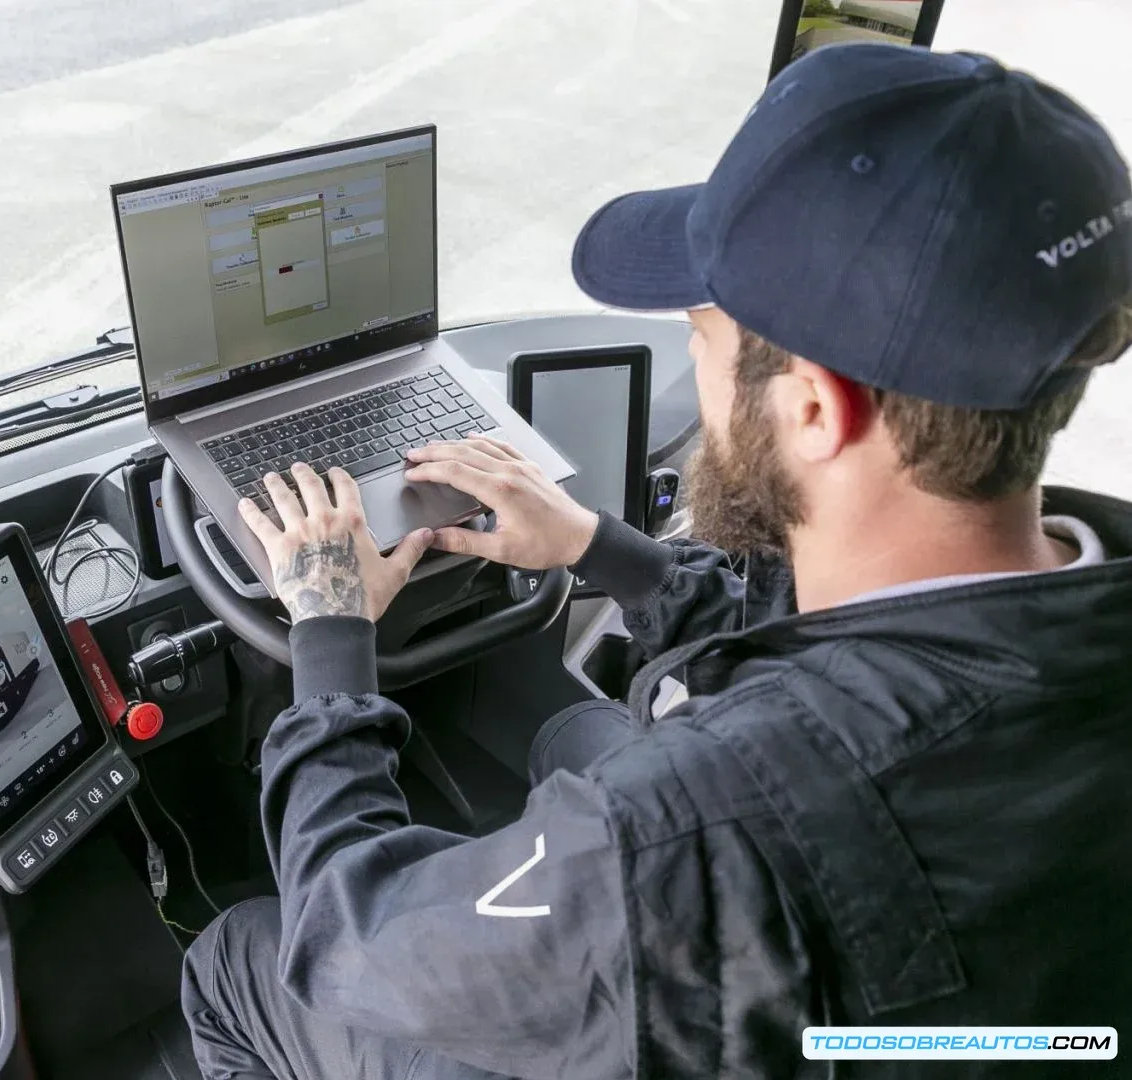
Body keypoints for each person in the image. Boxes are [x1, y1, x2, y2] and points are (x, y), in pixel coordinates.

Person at [181, 43, 1132, 1079]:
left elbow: (351, 936)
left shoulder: (683, 831)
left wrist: (328, 639)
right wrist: (605, 550)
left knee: (238, 960)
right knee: (576, 734)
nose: (692, 356)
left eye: (698, 331)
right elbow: (858, 670)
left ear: (811, 405)